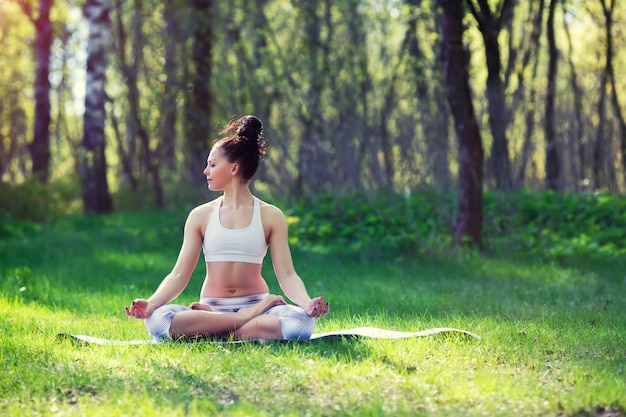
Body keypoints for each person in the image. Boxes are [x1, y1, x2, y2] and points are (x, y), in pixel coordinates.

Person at [125, 115, 330, 342]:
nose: (206, 171)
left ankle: (212, 331)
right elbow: (179, 274)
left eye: (212, 164)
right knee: (157, 321)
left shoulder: (271, 216)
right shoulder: (200, 216)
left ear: (234, 168)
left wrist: (307, 303)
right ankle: (242, 322)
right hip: (222, 308)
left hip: (253, 306)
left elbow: (288, 275)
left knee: (301, 324)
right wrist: (151, 304)